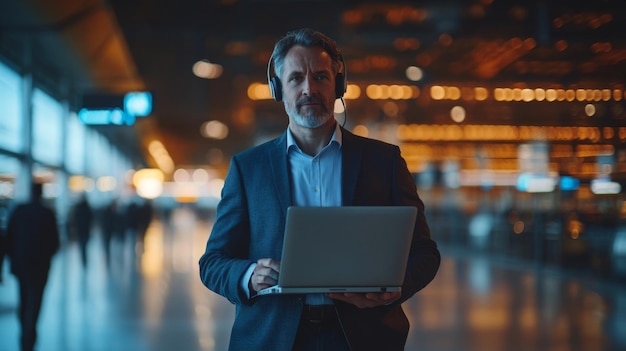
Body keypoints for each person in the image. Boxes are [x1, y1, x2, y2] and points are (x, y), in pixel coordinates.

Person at [198, 28, 440, 351]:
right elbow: (212, 262)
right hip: (273, 338)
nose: (309, 89)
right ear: (278, 90)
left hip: (361, 338)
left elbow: (425, 254)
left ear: (338, 86)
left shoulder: (383, 161)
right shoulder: (248, 169)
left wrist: (397, 288)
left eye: (321, 77)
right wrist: (248, 275)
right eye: (296, 78)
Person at [5, 182, 60, 351]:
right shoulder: (47, 213)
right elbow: (55, 242)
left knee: (23, 296)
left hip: (21, 263)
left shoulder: (19, 210)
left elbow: (8, 237)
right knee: (36, 298)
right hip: (40, 265)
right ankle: (31, 329)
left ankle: (25, 330)